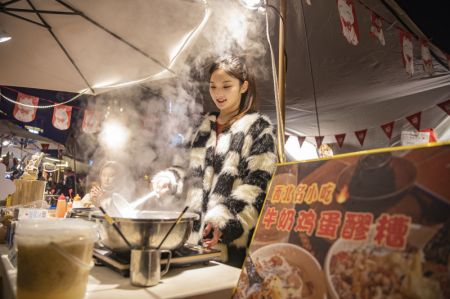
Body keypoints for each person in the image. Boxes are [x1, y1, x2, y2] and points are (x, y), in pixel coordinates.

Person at [152, 55, 277, 267]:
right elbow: (183, 168)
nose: (218, 93)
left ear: (243, 86)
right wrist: (169, 179)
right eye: (213, 86)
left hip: (231, 244)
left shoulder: (258, 128)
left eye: (227, 86)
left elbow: (258, 186)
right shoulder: (202, 127)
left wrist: (223, 221)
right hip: (192, 241)